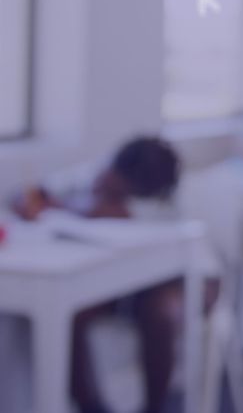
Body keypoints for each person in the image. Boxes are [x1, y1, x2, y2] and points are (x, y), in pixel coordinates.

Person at [9, 136, 195, 413]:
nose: (108, 181)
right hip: (115, 284)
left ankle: (154, 408)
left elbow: (138, 230)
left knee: (159, 311)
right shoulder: (95, 174)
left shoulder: (163, 202)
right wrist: (32, 203)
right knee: (69, 310)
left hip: (168, 282)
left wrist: (78, 209)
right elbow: (27, 196)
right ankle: (91, 407)